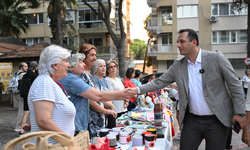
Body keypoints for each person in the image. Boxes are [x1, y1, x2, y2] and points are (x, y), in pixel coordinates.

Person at [129, 29, 246, 150]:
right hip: (192, 121)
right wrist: (136, 90)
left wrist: (239, 112)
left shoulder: (216, 58)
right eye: (177, 42)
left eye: (182, 41)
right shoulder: (178, 65)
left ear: (194, 42)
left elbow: (234, 84)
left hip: (217, 121)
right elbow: (159, 82)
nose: (178, 45)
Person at [28, 45, 76, 143]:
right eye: (66, 61)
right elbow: (43, 121)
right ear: (55, 65)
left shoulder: (47, 82)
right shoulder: (44, 83)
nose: (69, 65)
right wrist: (68, 141)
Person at [78, 44, 125, 138]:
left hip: (98, 119)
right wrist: (105, 111)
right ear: (83, 56)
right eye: (92, 55)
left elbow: (99, 96)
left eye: (95, 55)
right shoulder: (82, 75)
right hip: (90, 121)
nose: (94, 58)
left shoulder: (89, 74)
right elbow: (90, 100)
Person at [19, 61, 38, 135]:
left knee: (26, 112)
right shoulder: (35, 76)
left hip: (25, 95)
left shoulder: (25, 75)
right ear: (35, 67)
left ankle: (21, 129)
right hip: (33, 96)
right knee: (33, 112)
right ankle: (32, 128)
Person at [14, 62, 28, 132]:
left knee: (22, 109)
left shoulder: (17, 73)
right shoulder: (22, 74)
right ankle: (18, 126)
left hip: (17, 93)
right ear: (21, 68)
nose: (27, 67)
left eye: (27, 66)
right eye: (25, 66)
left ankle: (23, 123)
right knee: (21, 110)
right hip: (20, 94)